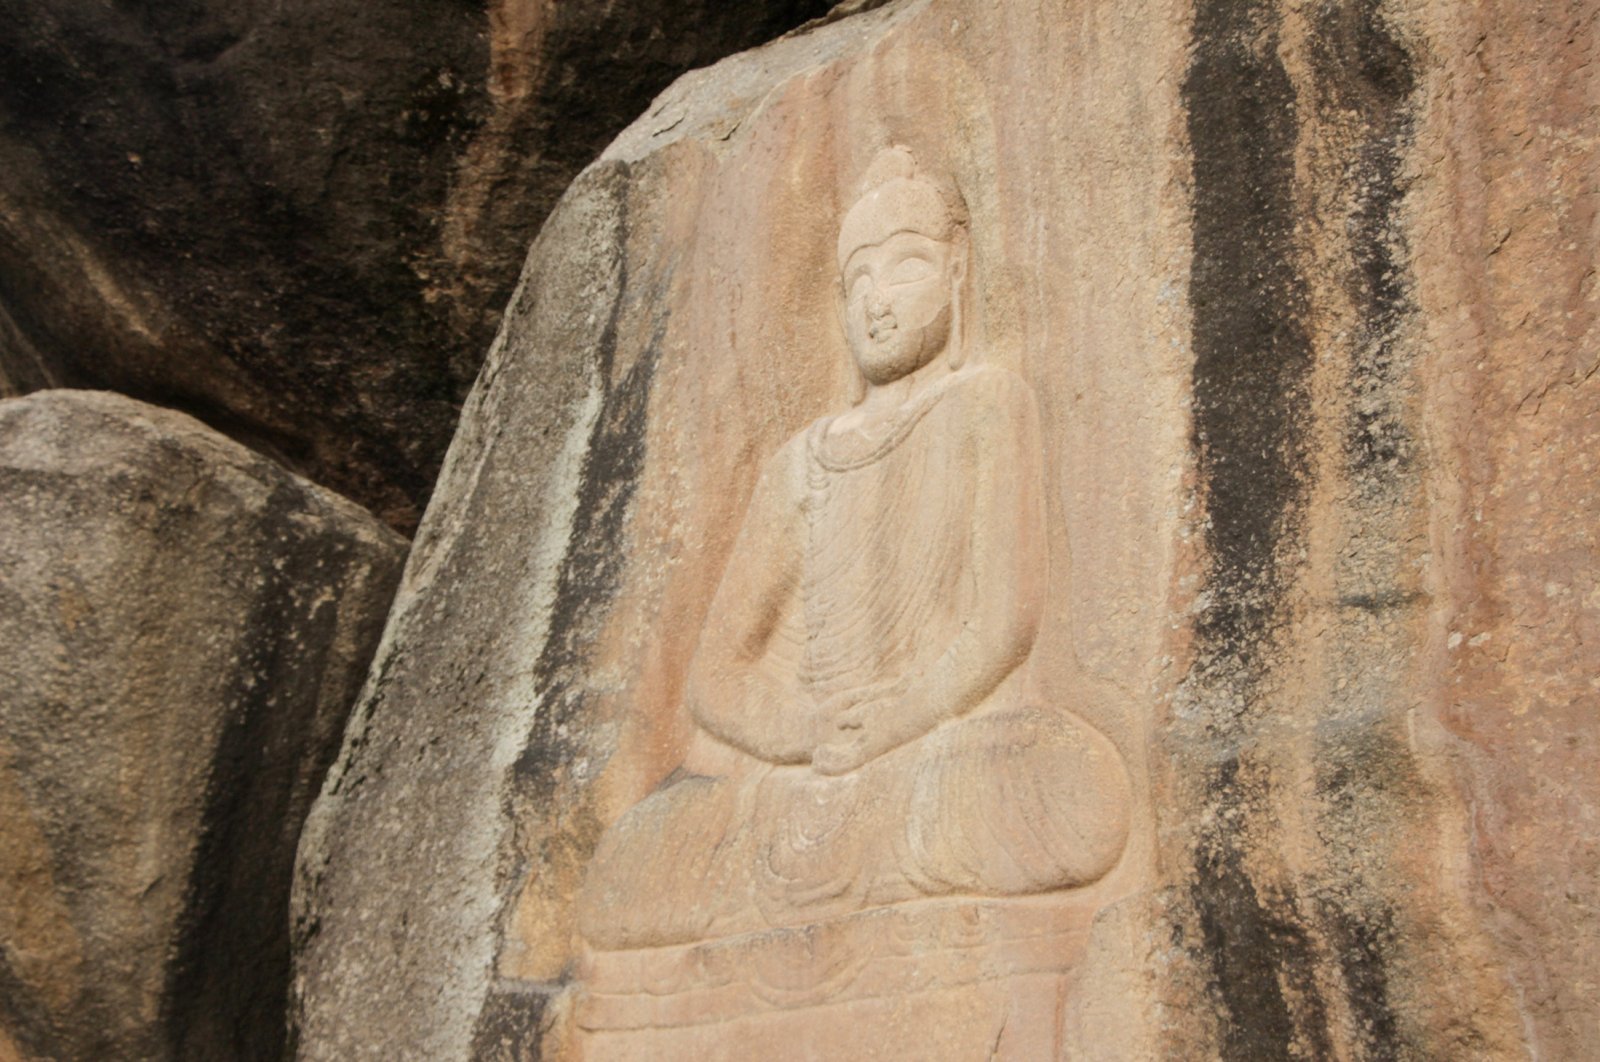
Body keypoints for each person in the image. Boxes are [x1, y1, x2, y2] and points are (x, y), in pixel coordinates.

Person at [577, 147, 1128, 952]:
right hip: (800, 774)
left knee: (1074, 792)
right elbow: (716, 677)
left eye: (906, 268)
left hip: (936, 751)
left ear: (959, 271)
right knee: (634, 862)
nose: (877, 301)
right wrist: (802, 732)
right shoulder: (800, 461)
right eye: (857, 280)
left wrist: (894, 723)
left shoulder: (986, 405)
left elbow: (1005, 622)